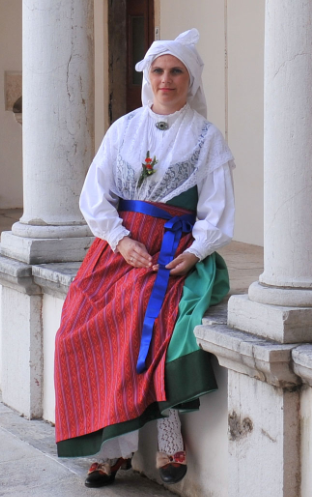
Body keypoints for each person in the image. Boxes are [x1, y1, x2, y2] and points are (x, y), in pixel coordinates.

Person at [54, 29, 235, 488]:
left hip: (174, 251)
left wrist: (195, 252)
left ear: (190, 79)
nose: (166, 79)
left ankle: (163, 436)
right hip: (119, 248)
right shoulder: (124, 129)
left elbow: (218, 210)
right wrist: (118, 239)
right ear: (148, 76)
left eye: (176, 71)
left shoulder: (206, 137)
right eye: (158, 70)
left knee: (141, 318)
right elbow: (95, 196)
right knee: (74, 329)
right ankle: (105, 447)